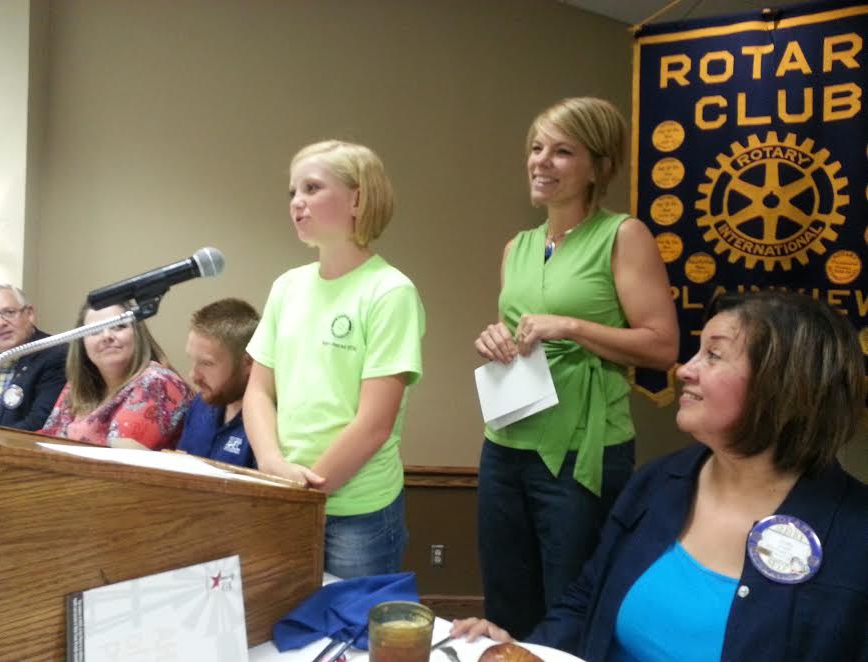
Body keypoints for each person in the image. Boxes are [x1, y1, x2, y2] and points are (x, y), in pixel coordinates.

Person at [454, 291, 867, 661]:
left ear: (784, 386)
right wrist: (522, 653)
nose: (684, 369)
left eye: (714, 355)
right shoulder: (658, 482)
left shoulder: (854, 537)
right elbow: (585, 603)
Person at [473, 97, 678, 638]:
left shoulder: (623, 236)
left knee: (570, 605)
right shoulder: (517, 247)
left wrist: (572, 326)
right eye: (536, 148)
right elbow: (520, 334)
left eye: (562, 151)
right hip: (505, 443)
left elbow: (662, 347)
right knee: (505, 601)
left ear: (598, 167)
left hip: (583, 451)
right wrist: (496, 339)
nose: (541, 161)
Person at [244, 139, 425, 579]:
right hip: (286, 491)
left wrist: (306, 492)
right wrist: (271, 464)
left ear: (357, 199)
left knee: (350, 622)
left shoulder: (390, 291)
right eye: (293, 191)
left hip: (358, 512)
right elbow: (258, 391)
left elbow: (374, 424)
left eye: (312, 188)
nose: (297, 202)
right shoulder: (287, 286)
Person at [40, 302, 191, 449]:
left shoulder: (157, 382)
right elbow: (45, 441)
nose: (106, 336)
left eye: (119, 326)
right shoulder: (76, 386)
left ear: (138, 333)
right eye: (95, 330)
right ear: (82, 344)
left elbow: (119, 459)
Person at [177, 298, 260, 467]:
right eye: (193, 360)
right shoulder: (200, 404)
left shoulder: (269, 421)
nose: (193, 376)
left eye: (206, 364)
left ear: (248, 362)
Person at [0, 284, 67, 431]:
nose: (0, 323)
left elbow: (39, 423)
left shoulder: (56, 355)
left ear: (29, 314)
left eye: (9, 312)